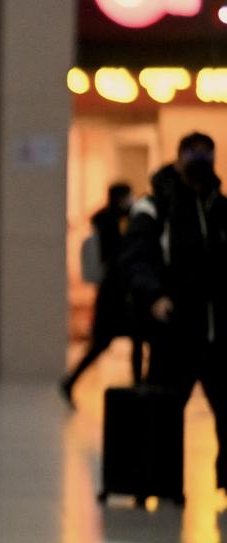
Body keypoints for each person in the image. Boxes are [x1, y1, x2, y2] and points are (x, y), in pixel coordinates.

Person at [121, 132, 227, 495]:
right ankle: (162, 484)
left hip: (218, 333)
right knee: (164, 414)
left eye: (206, 155)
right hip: (175, 332)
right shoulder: (156, 206)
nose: (200, 162)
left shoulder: (218, 207)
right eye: (193, 155)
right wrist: (154, 296)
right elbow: (137, 256)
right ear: (179, 159)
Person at [60, 182, 139, 406]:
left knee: (126, 339)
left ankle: (137, 384)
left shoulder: (106, 220)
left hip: (114, 293)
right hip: (116, 295)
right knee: (107, 342)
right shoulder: (112, 223)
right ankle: (71, 381)